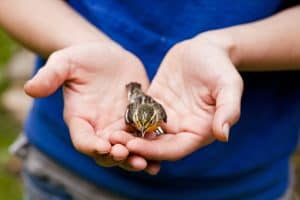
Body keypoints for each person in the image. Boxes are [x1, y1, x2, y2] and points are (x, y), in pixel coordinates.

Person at [0, 0, 300, 199]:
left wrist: (230, 48)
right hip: (64, 173)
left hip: (245, 185)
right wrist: (82, 43)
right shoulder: (139, 112)